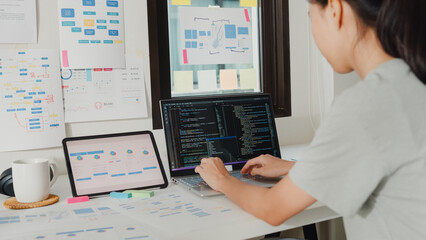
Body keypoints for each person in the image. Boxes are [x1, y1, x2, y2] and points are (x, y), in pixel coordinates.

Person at [195, 0, 426, 239]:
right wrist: (292, 168)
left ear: (335, 10)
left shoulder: (367, 104)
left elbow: (273, 208)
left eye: (311, 17)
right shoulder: (410, 84)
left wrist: (221, 179)